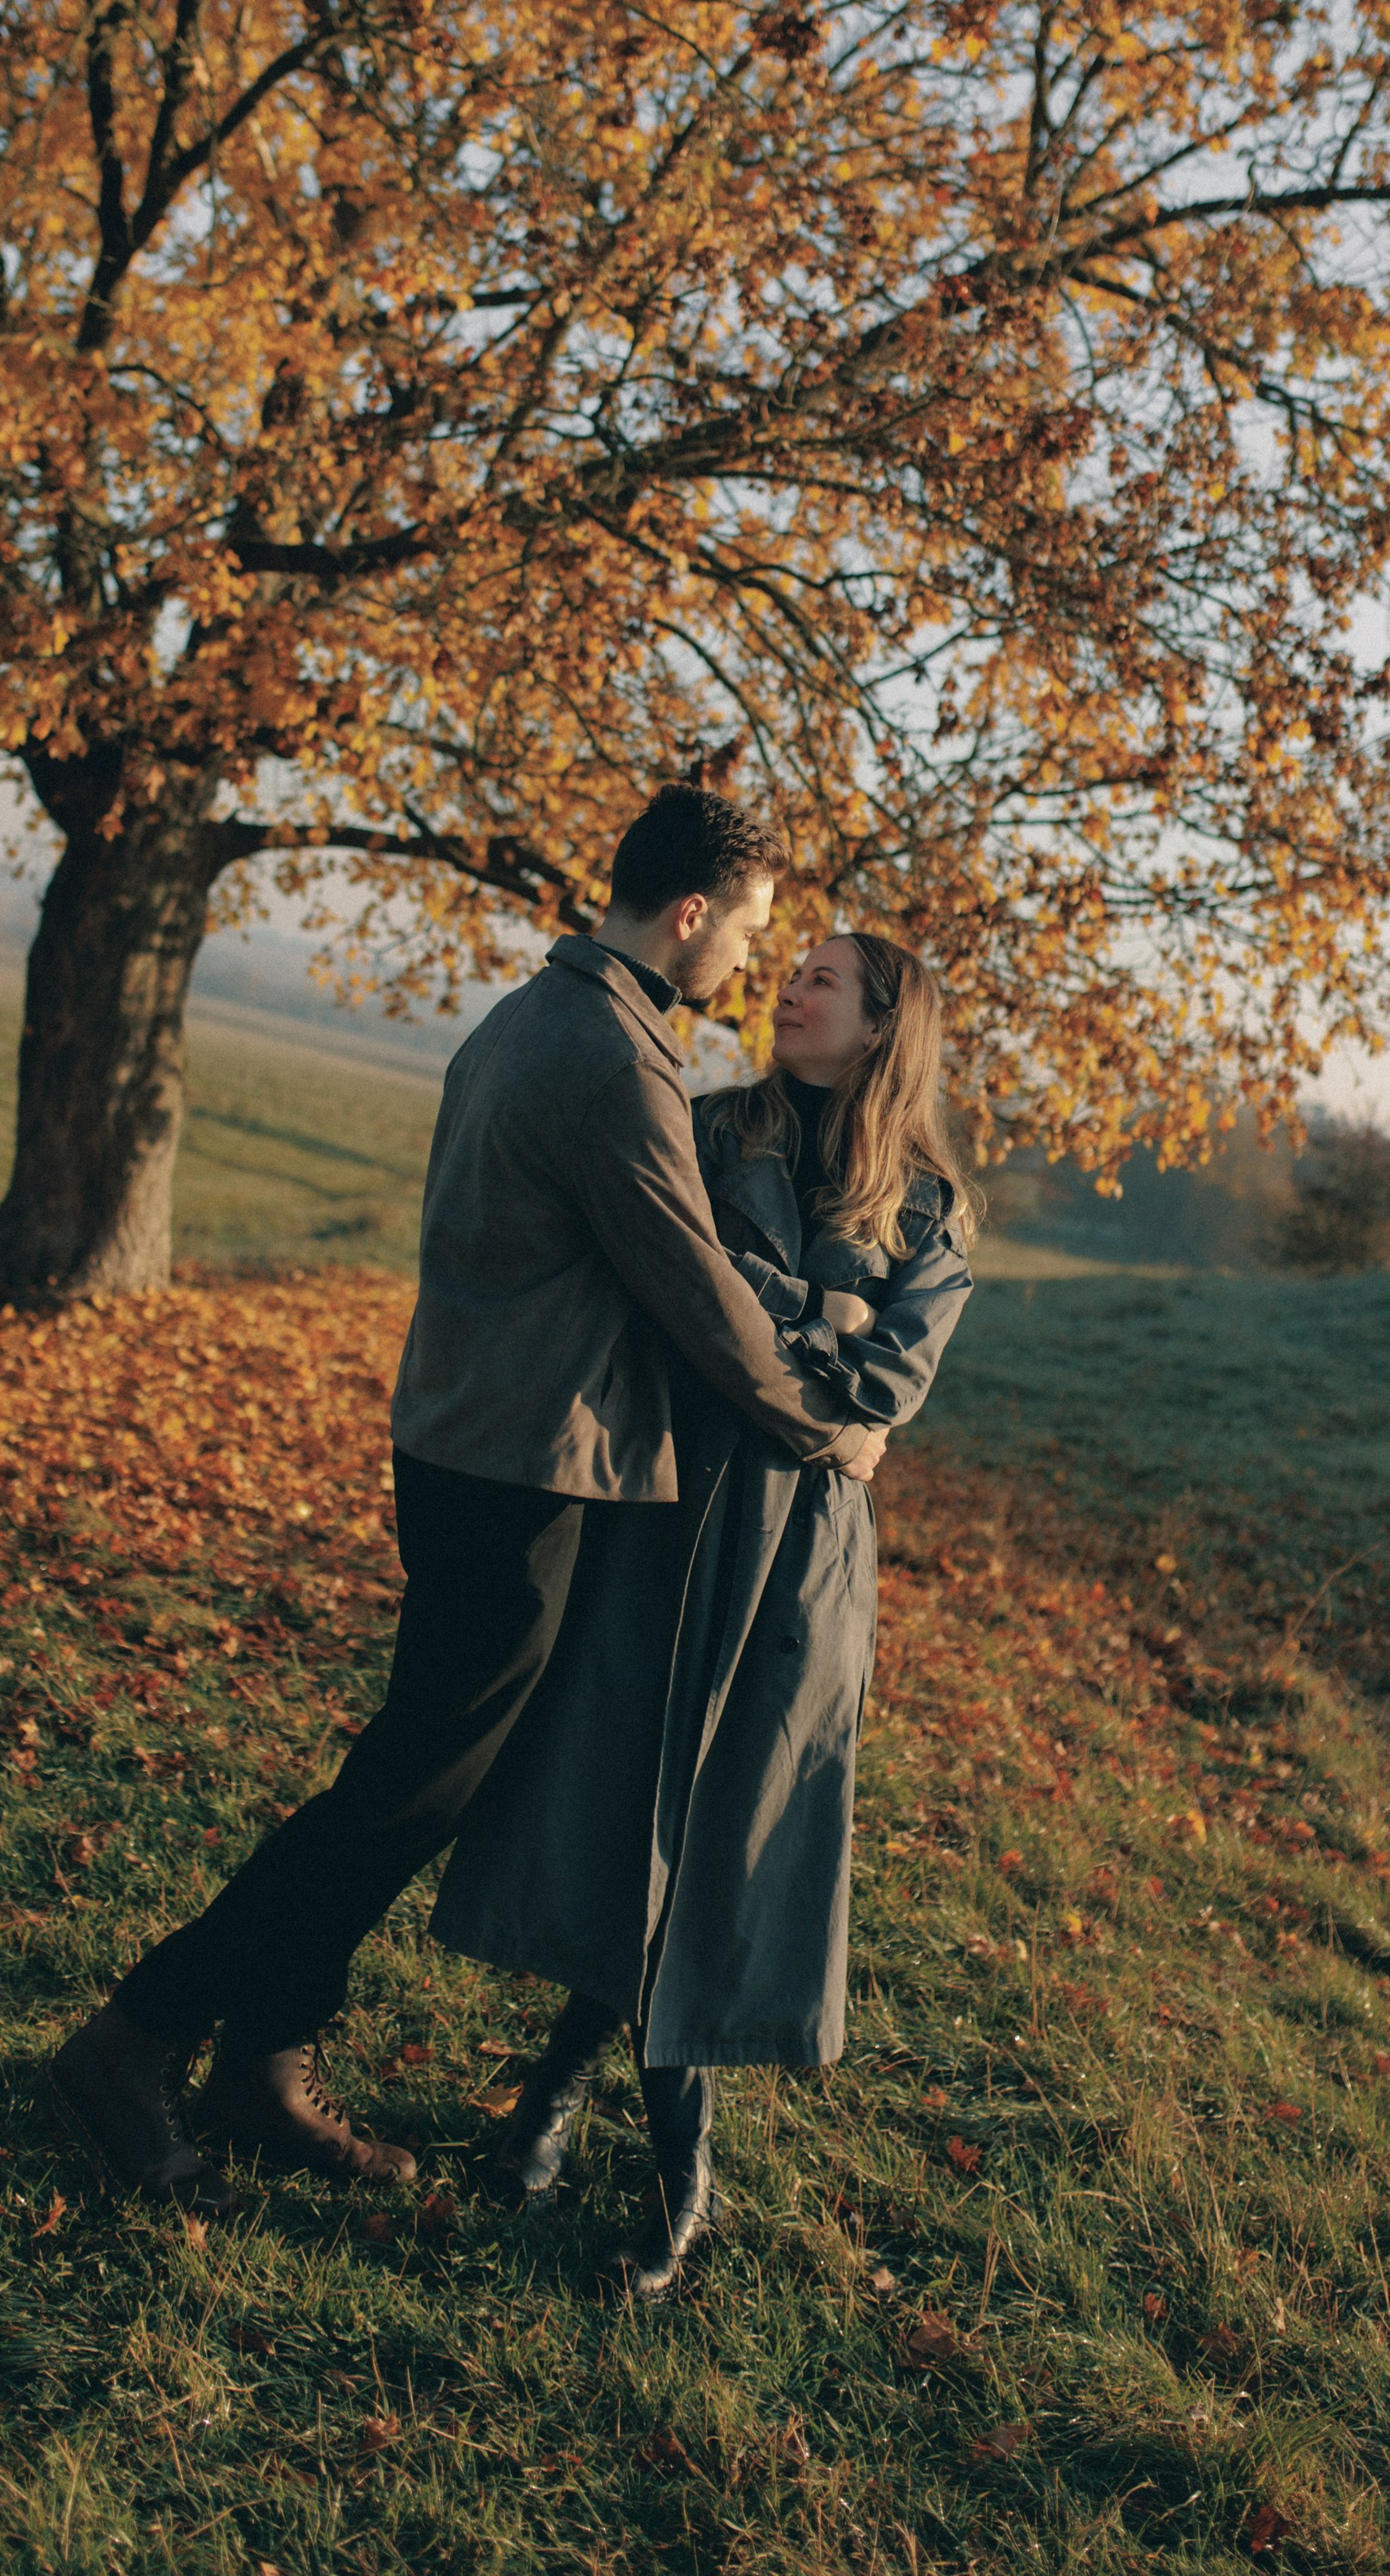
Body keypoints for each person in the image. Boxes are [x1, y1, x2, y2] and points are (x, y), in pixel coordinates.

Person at [46, 788, 883, 2213]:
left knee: (417, 1777)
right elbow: (694, 1291)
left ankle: (263, 2064)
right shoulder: (608, 1058)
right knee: (404, 1791)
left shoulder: (537, 1015)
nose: (747, 961)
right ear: (690, 915)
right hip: (516, 1470)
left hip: (471, 1445)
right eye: (744, 930)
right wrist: (825, 1426)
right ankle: (141, 2036)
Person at [429, 930, 976, 2294]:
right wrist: (812, 1316)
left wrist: (770, 1319)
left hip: (795, 1562)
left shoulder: (929, 1206)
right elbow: (670, 1301)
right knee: (628, 1817)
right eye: (786, 968)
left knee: (717, 1835)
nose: (788, 987)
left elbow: (886, 1389)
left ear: (880, 1026)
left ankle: (637, 2162)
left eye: (823, 981)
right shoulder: (700, 1122)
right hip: (660, 1514)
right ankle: (584, 2134)